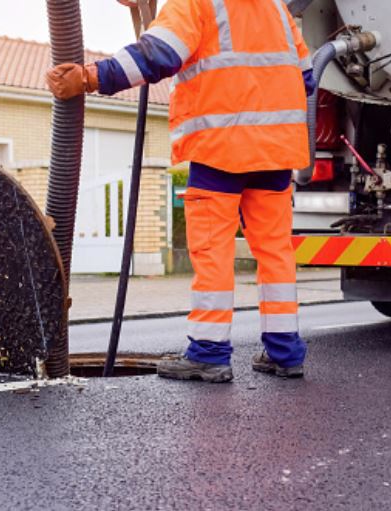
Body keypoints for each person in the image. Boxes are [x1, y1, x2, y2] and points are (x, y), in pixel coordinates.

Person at [46, 0, 315, 383]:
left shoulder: (197, 2)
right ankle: (285, 353)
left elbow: (158, 54)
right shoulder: (276, 9)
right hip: (276, 151)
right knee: (275, 253)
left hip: (220, 148)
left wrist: (89, 77)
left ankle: (209, 353)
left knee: (213, 252)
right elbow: (305, 77)